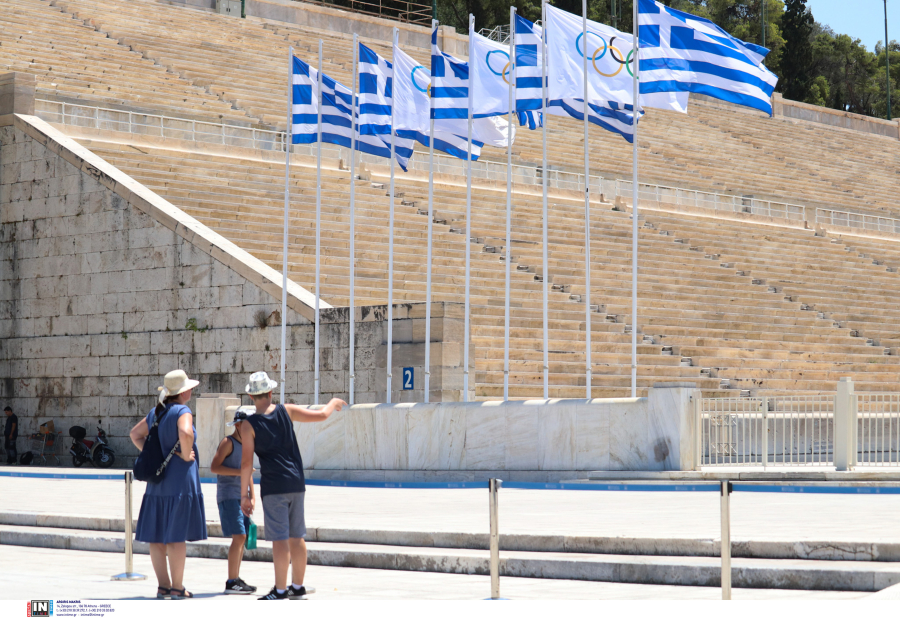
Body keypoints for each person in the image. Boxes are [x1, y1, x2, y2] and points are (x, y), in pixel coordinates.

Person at [239, 371, 345, 600]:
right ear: (270, 392)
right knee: (297, 537)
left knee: (279, 539)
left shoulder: (248, 425)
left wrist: (244, 495)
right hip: (296, 481)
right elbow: (321, 415)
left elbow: (247, 462)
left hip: (273, 485)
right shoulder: (286, 410)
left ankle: (279, 590)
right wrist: (333, 402)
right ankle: (297, 587)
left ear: (251, 397)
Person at [130, 370, 207, 600]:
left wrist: (156, 456)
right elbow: (185, 431)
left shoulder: (156, 412)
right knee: (176, 537)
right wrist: (184, 454)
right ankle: (177, 587)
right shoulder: (183, 410)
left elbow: (135, 434)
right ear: (183, 392)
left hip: (157, 484)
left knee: (156, 536)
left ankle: (163, 586)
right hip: (179, 483)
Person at [210, 409, 257, 595]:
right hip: (228, 495)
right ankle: (231, 581)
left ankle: (235, 579)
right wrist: (241, 473)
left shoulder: (248, 444)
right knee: (239, 537)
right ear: (238, 425)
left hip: (241, 496)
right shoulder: (227, 442)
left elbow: (249, 471)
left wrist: (252, 496)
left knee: (243, 537)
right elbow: (214, 467)